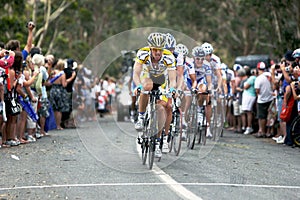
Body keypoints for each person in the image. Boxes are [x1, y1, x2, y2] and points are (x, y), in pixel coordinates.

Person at [133, 32, 176, 157]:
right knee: (147, 85)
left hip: (161, 80)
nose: (158, 53)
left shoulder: (168, 57)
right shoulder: (143, 53)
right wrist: (138, 86)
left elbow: (172, 79)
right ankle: (141, 117)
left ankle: (157, 143)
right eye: (155, 50)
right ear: (150, 49)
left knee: (162, 107)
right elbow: (136, 73)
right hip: (147, 77)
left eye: (160, 50)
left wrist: (172, 89)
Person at [254, 62, 274, 138]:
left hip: (262, 100)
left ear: (258, 69)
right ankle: (269, 132)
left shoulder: (258, 78)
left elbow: (257, 90)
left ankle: (262, 131)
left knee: (261, 117)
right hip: (270, 98)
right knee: (270, 116)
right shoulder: (269, 75)